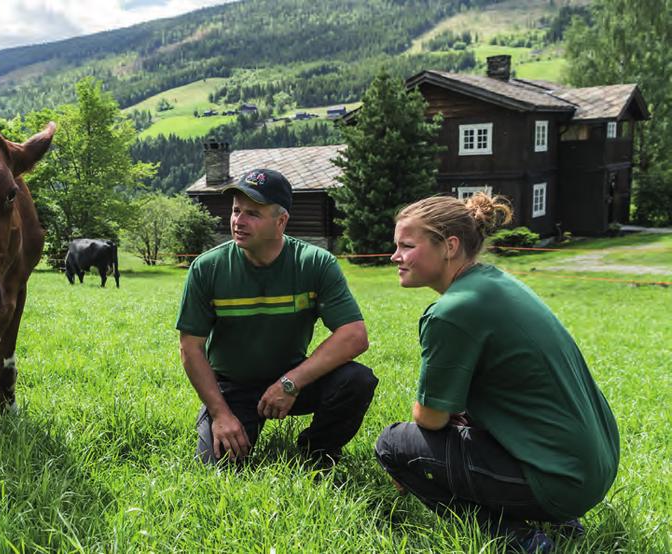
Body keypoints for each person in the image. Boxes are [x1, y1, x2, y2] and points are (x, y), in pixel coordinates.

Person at [375, 193, 619, 552]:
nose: (395, 256)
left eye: (407, 245)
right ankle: (562, 522)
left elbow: (429, 418)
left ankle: (516, 537)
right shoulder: (495, 283)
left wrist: (417, 460)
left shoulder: (453, 311)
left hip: (558, 480)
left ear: (449, 246)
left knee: (394, 445)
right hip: (591, 469)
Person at [176, 168, 377, 467]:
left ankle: (317, 450)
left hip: (292, 378)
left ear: (281, 221)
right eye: (235, 211)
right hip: (232, 387)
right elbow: (190, 348)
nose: (238, 221)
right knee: (219, 467)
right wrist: (219, 413)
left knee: (358, 380)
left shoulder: (314, 263)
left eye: (252, 214)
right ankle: (228, 420)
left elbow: (354, 335)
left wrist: (291, 382)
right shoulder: (207, 268)